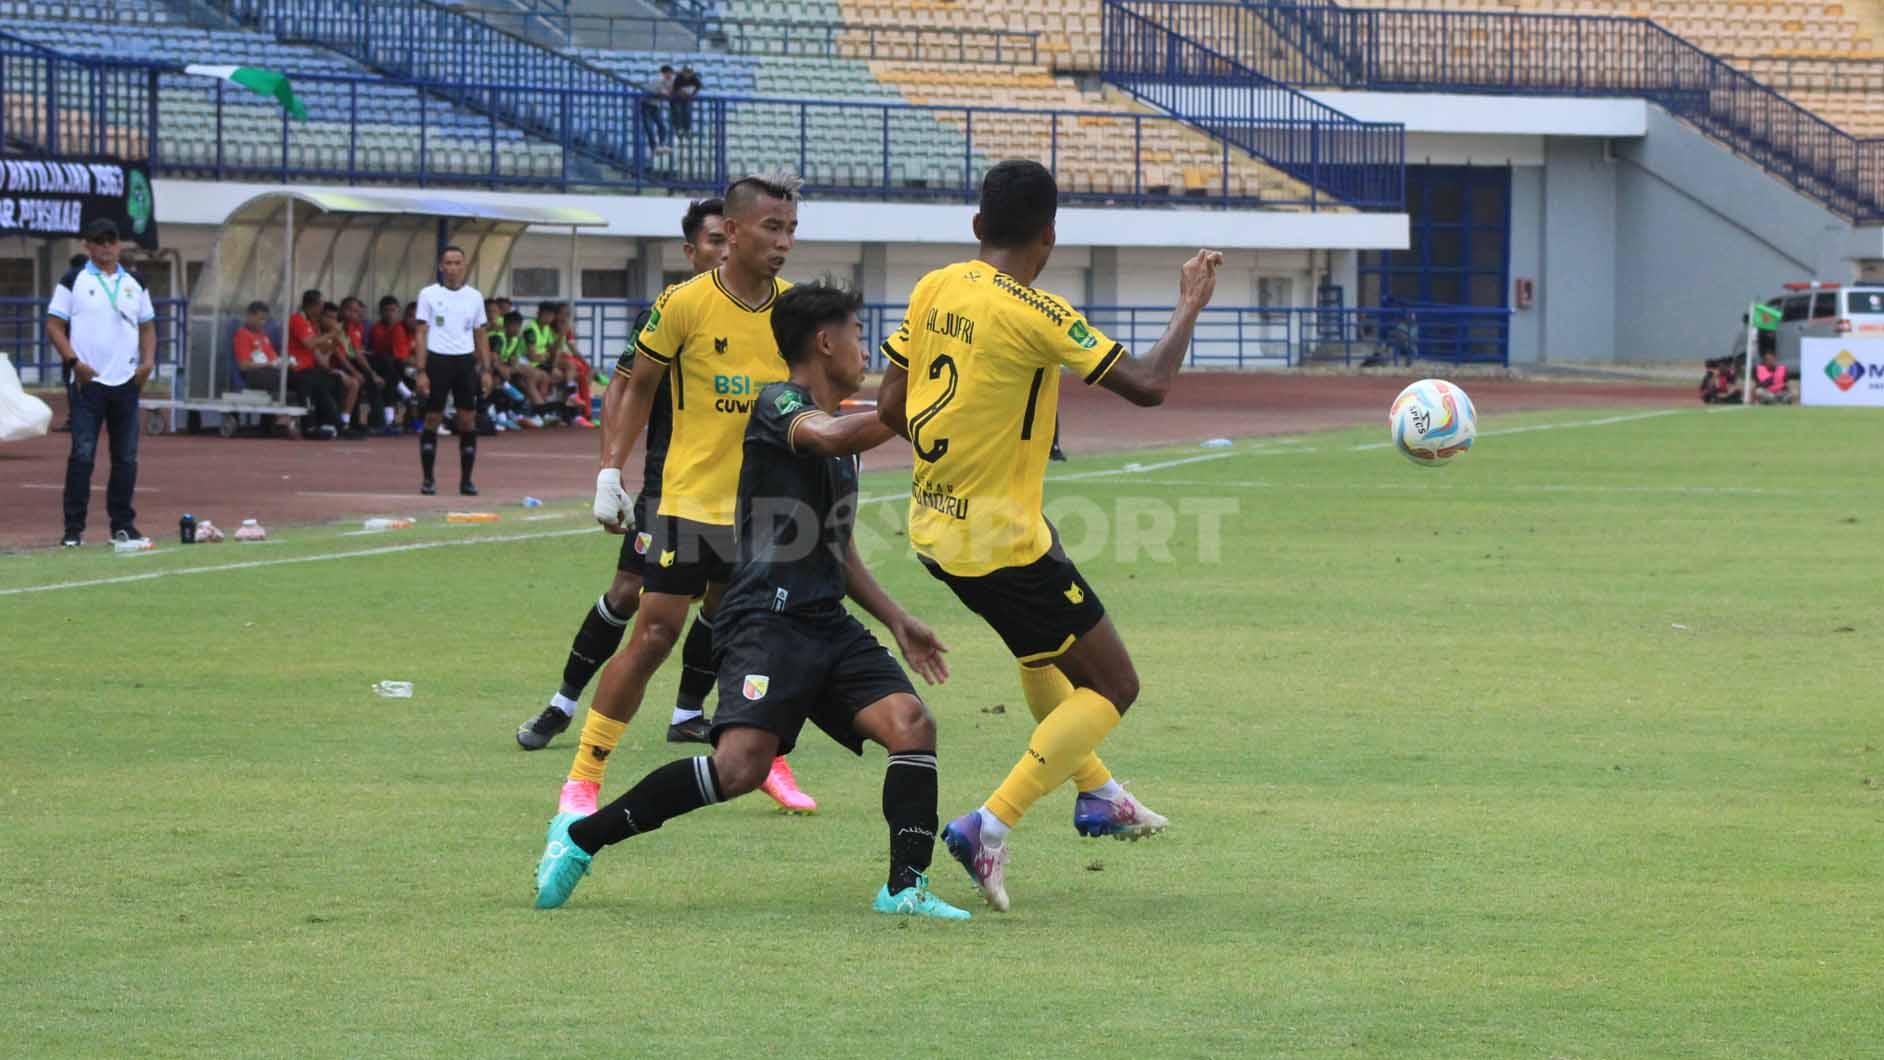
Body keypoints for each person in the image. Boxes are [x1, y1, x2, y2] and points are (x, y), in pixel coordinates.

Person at [533, 281, 969, 921]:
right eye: (855, 332)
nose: (863, 347)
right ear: (825, 341)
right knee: (738, 768)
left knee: (912, 725)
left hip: (825, 619)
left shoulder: (838, 426)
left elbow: (836, 546)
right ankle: (581, 837)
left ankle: (904, 888)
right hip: (766, 619)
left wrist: (898, 619)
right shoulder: (781, 405)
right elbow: (829, 436)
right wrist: (912, 407)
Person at [876, 160, 1222, 911]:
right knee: (1113, 685)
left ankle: (1097, 793)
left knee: (1042, 650)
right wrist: (1188, 304)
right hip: (999, 545)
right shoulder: (1038, 311)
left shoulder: (935, 286)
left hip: (934, 530)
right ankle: (988, 825)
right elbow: (1151, 385)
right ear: (1050, 236)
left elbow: (892, 403)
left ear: (976, 227)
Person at [518, 198, 817, 806]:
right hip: (684, 498)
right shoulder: (682, 304)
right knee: (651, 630)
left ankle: (765, 757)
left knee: (761, 634)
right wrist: (610, 470)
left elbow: (815, 390)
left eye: (791, 230)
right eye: (773, 228)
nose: (784, 241)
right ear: (730, 235)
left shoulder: (796, 307)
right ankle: (583, 769)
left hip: (762, 509)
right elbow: (632, 382)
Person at [48, 218, 156, 548]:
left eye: (112, 241)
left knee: (126, 457)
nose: (106, 247)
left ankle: (122, 525)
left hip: (125, 380)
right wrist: (73, 362)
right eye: (99, 241)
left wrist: (148, 362)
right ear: (87, 245)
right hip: (88, 381)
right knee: (82, 455)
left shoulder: (135, 281)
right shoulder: (73, 280)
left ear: (119, 244)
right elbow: (54, 325)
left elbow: (147, 326)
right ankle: (72, 530)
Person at [414, 245, 494, 495]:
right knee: (432, 418)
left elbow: (481, 334)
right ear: (440, 266)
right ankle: (428, 480)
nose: (453, 268)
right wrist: (420, 370)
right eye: (448, 263)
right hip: (437, 361)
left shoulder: (474, 297)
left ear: (464, 265)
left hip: (464, 362)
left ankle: (466, 481)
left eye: (457, 263)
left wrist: (487, 369)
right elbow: (421, 332)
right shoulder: (428, 294)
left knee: (467, 419)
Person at [286, 289, 343, 439]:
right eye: (321, 305)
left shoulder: (312, 323)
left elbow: (320, 348)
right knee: (310, 380)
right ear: (314, 306)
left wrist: (334, 341)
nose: (322, 309)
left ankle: (331, 424)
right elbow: (310, 343)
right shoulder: (298, 319)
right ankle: (309, 427)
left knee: (335, 379)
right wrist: (331, 334)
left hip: (310, 369)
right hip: (295, 370)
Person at [366, 295, 414, 433]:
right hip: (380, 367)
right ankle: (403, 395)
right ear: (380, 312)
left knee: (393, 373)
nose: (390, 314)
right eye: (386, 310)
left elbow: (408, 354)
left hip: (397, 369)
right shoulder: (377, 329)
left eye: (393, 310)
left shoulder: (404, 328)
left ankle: (399, 420)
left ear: (398, 312)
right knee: (387, 362)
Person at [640, 66, 673, 154]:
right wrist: (660, 92)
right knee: (649, 128)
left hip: (655, 105)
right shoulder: (657, 80)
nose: (670, 75)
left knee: (661, 125)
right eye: (669, 73)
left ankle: (661, 144)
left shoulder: (668, 82)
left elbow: (670, 91)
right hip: (646, 105)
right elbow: (648, 89)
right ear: (664, 73)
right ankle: (654, 146)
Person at [671, 64, 701, 142]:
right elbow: (676, 89)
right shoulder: (678, 78)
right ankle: (679, 129)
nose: (687, 74)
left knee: (687, 111)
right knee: (678, 111)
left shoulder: (694, 78)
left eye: (689, 72)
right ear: (683, 72)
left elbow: (698, 87)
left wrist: (692, 95)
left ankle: (687, 129)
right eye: (686, 72)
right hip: (677, 98)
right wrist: (683, 94)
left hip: (687, 98)